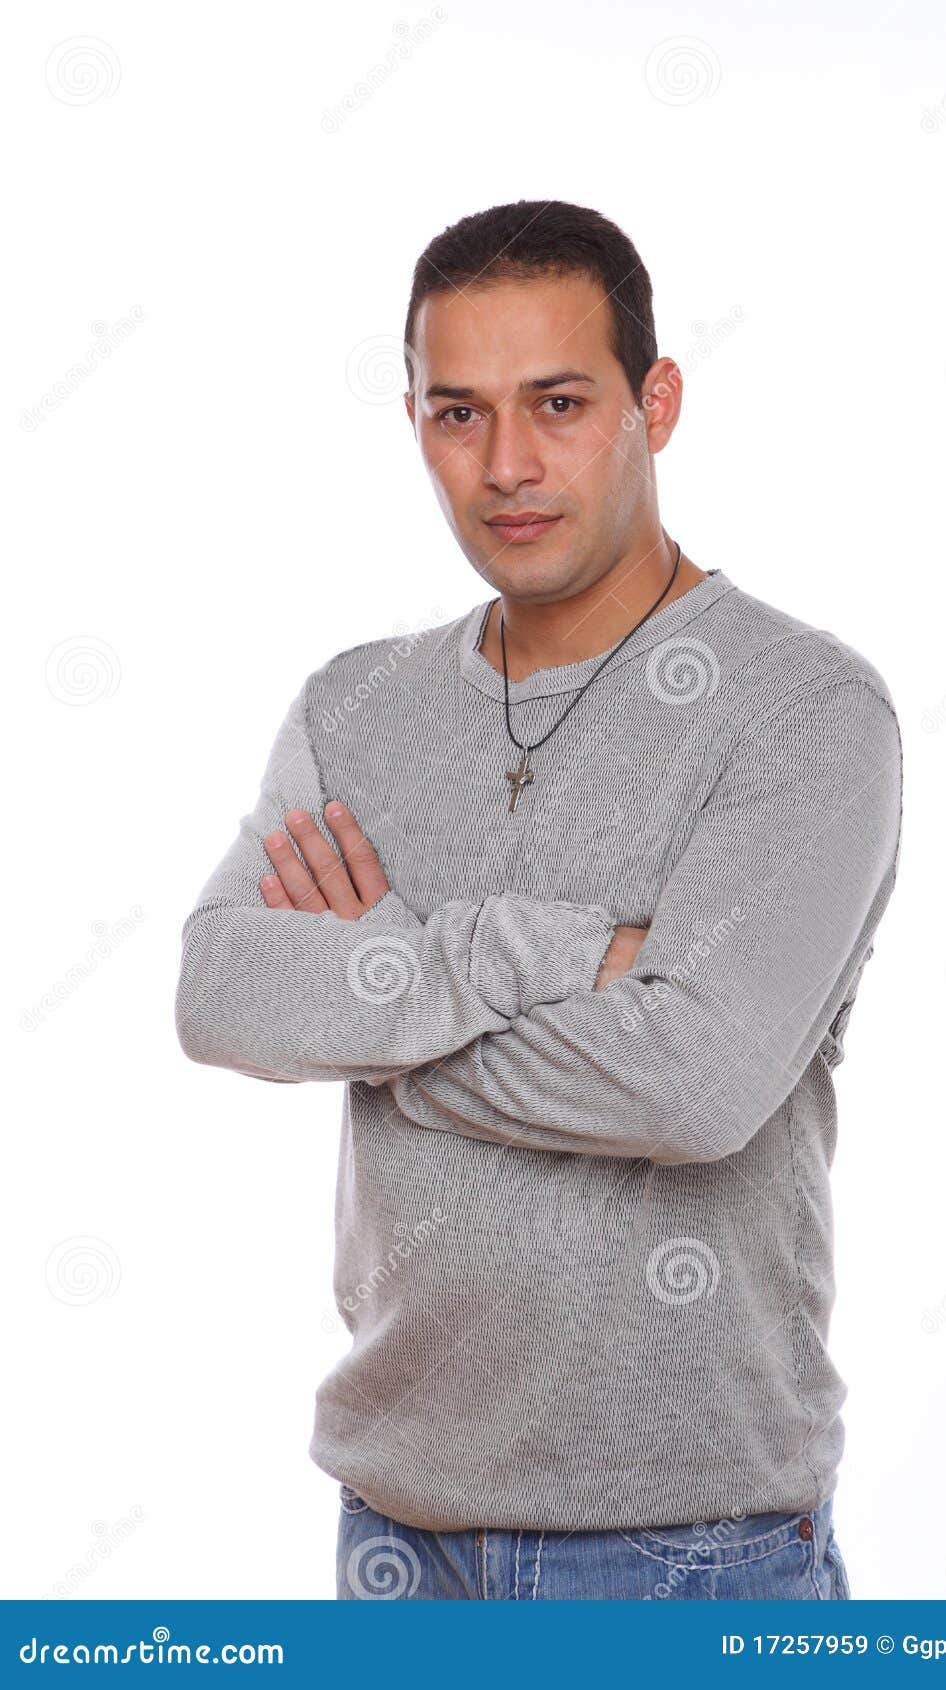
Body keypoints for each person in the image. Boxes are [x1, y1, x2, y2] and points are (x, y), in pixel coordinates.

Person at [175, 199, 901, 1601]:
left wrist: (376, 1001)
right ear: (415, 423)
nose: (507, 464)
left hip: (693, 1545)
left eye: (559, 403)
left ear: (657, 400)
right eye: (459, 413)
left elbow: (693, 1087)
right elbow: (221, 992)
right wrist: (554, 950)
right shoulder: (355, 707)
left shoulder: (803, 711)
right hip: (394, 1525)